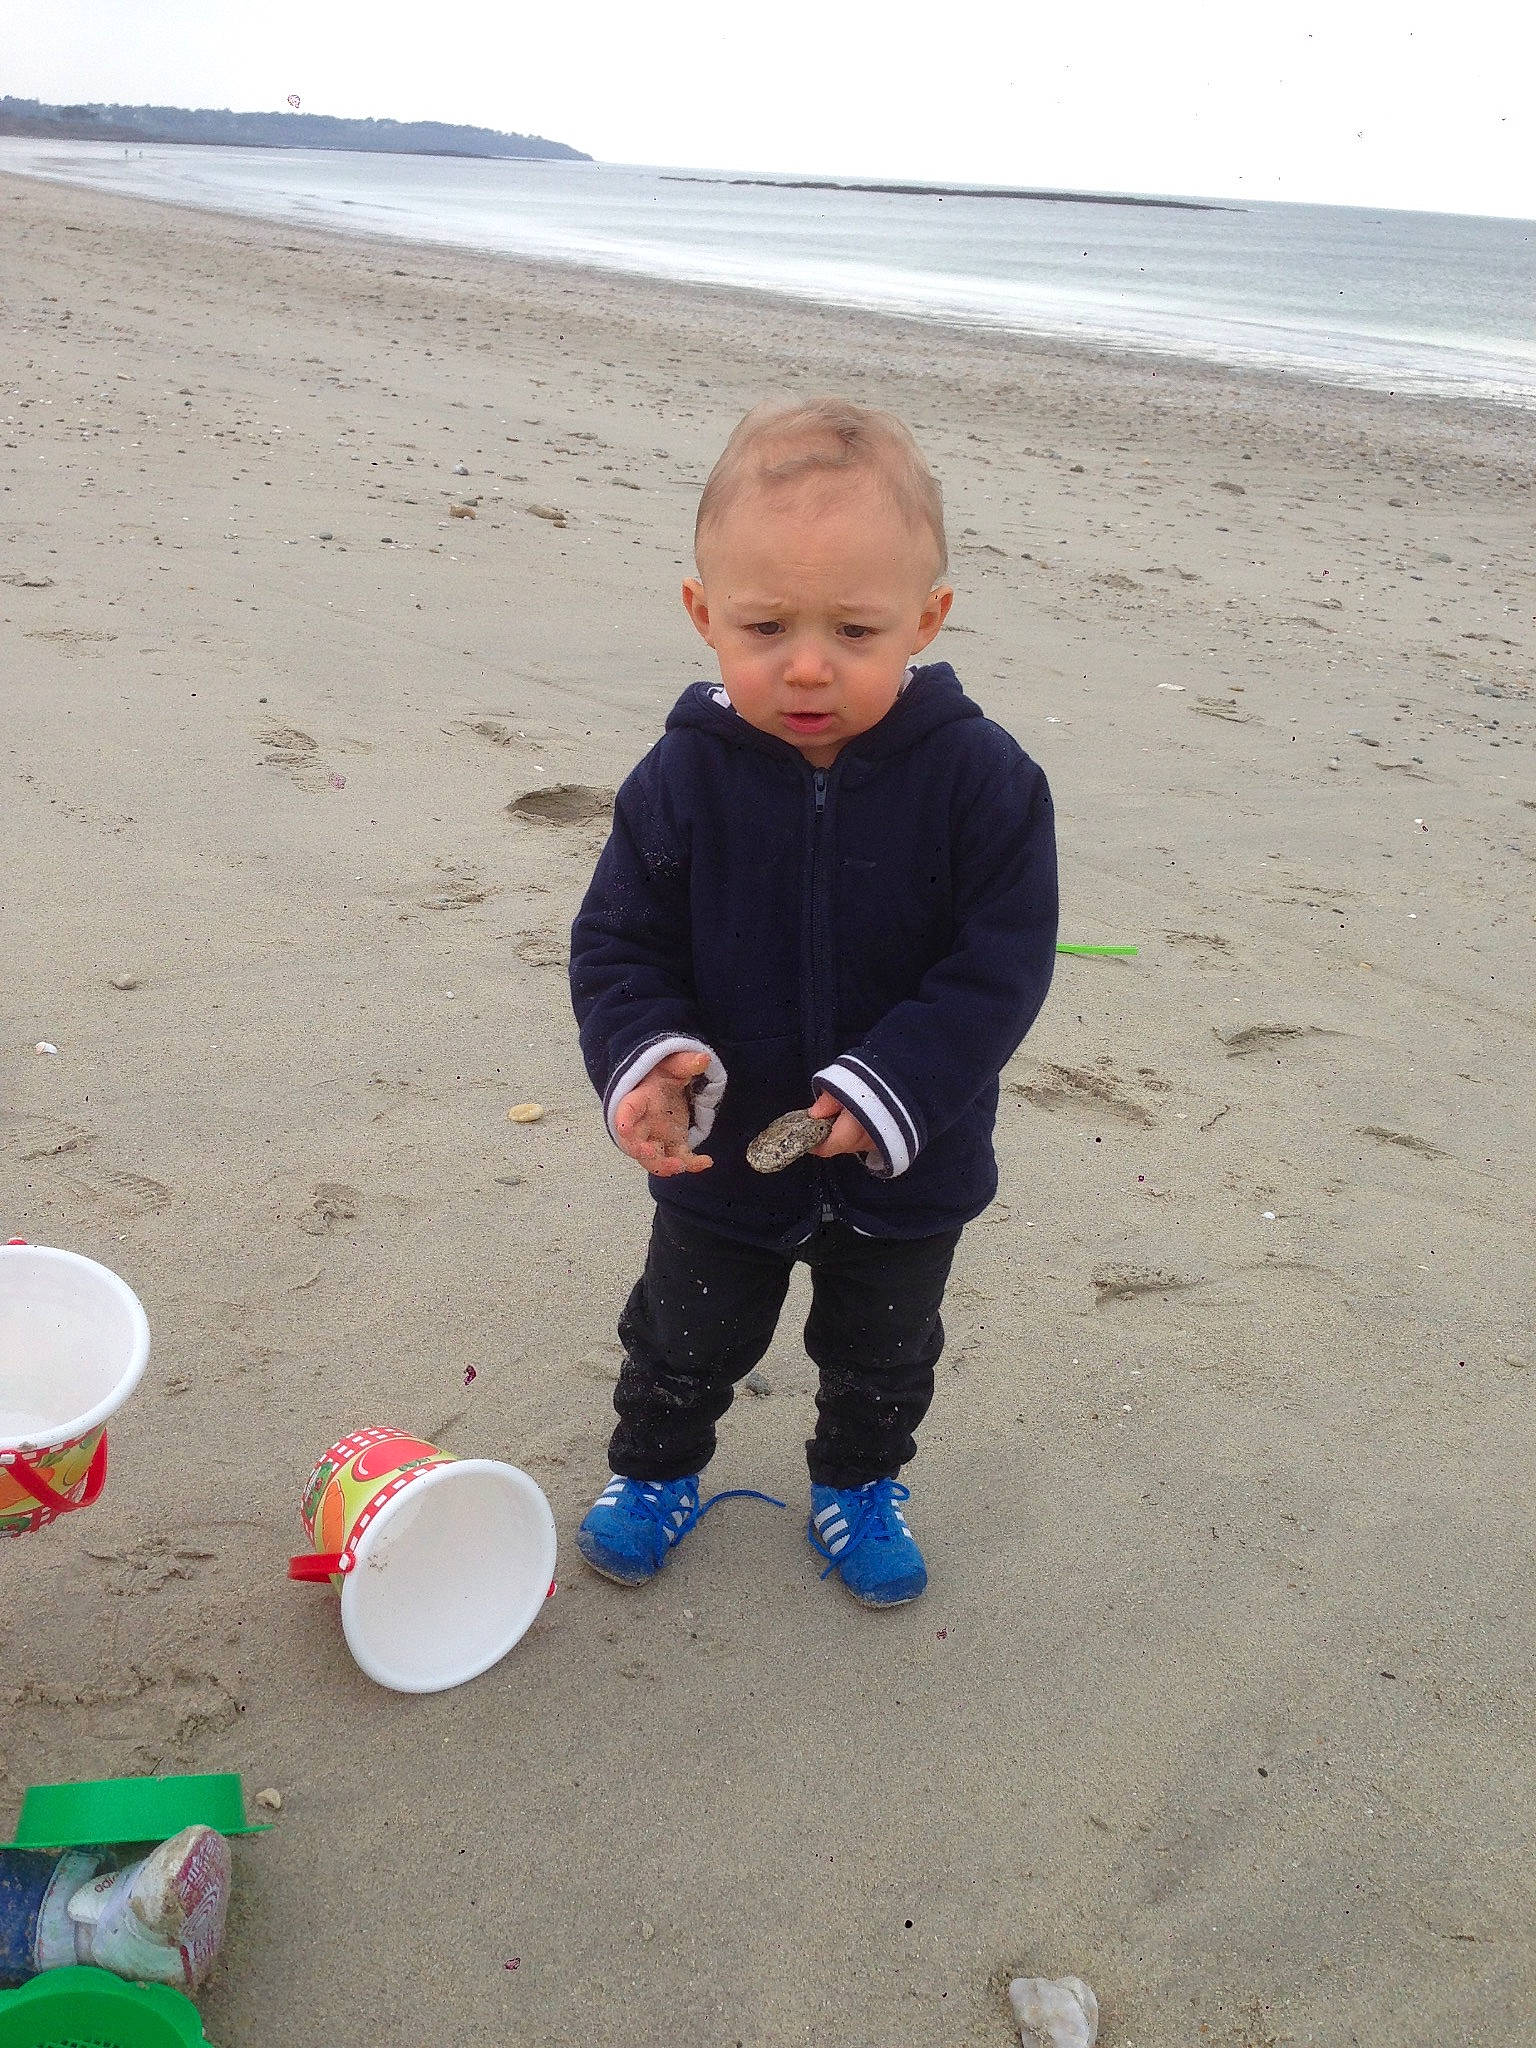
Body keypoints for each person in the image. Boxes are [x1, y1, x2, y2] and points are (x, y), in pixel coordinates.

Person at [568, 397, 1058, 1607]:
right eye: (763, 623)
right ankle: (656, 1468)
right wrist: (646, 1064)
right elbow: (619, 940)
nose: (804, 662)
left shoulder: (983, 781)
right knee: (682, 1336)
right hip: (730, 1159)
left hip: (909, 1162)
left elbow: (999, 967)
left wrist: (887, 1093)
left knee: (884, 1350)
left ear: (926, 619)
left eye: (853, 628)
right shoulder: (682, 779)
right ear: (702, 613)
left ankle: (857, 1482)